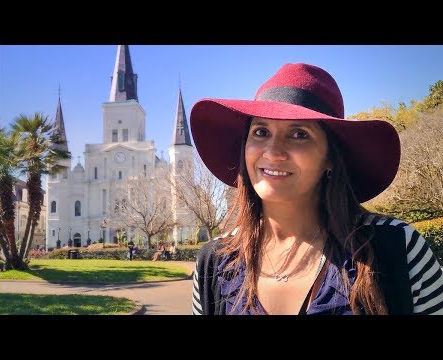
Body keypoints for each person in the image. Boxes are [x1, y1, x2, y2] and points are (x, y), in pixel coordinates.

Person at [189, 63, 443, 315]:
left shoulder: (397, 248)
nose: (273, 151)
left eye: (299, 134)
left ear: (330, 158)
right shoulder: (214, 262)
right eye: (261, 131)